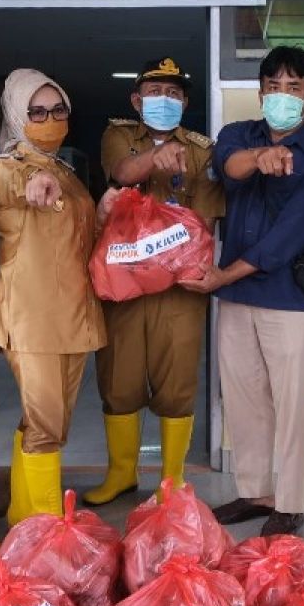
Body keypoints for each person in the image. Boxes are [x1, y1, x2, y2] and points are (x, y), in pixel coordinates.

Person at [181, 46, 304, 537]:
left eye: (294, 89)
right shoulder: (236, 135)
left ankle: (290, 502)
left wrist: (223, 278)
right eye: (273, 87)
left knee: (291, 403)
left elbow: (287, 239)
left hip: (288, 297)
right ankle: (254, 491)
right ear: (260, 92)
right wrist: (261, 156)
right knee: (244, 398)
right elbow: (227, 166)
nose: (282, 97)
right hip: (236, 301)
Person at [84, 57, 225, 507]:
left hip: (178, 287)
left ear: (185, 102)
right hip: (124, 281)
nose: (164, 100)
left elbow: (204, 219)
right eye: (155, 92)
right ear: (136, 98)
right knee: (119, 380)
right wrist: (153, 159)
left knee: (176, 381)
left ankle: (172, 481)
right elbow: (123, 174)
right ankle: (121, 474)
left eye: (174, 94)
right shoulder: (119, 136)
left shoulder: (203, 149)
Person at [0, 69, 119, 526]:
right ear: (17, 118)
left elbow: (77, 238)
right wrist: (32, 187)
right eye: (36, 112)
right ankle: (42, 533)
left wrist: (99, 211)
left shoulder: (64, 169)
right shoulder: (9, 168)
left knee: (51, 425)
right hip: (32, 317)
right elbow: (15, 190)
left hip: (74, 316)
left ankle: (22, 516)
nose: (49, 119)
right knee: (45, 427)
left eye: (57, 110)